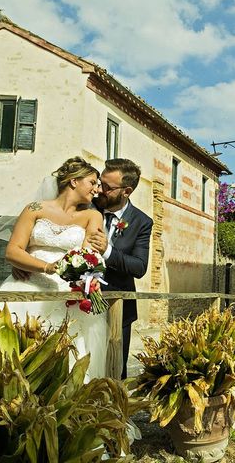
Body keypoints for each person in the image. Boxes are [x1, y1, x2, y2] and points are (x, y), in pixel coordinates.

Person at [0, 156, 108, 380]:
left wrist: (89, 269)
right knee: (13, 352)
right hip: (27, 286)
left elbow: (89, 256)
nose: (97, 189)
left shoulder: (92, 215)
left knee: (64, 359)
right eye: (93, 182)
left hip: (67, 295)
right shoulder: (35, 209)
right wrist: (45, 266)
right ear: (74, 181)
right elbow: (13, 250)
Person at [87, 158, 153, 379]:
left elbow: (139, 266)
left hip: (118, 307)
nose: (99, 190)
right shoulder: (86, 207)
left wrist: (108, 252)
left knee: (114, 370)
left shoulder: (142, 222)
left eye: (107, 187)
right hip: (80, 305)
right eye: (99, 183)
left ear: (126, 191)